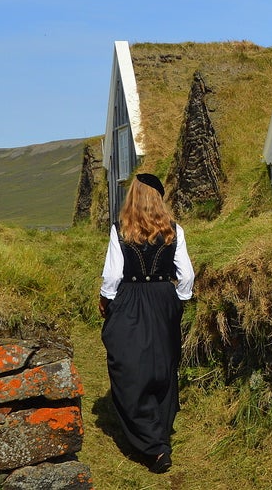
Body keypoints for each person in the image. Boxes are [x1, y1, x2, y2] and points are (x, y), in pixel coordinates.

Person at [99, 173, 194, 474]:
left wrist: (106, 300)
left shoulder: (120, 229)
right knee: (163, 365)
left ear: (134, 197)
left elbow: (113, 275)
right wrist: (177, 298)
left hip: (129, 298)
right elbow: (187, 275)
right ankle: (160, 434)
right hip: (164, 297)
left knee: (129, 366)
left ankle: (153, 445)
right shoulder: (174, 230)